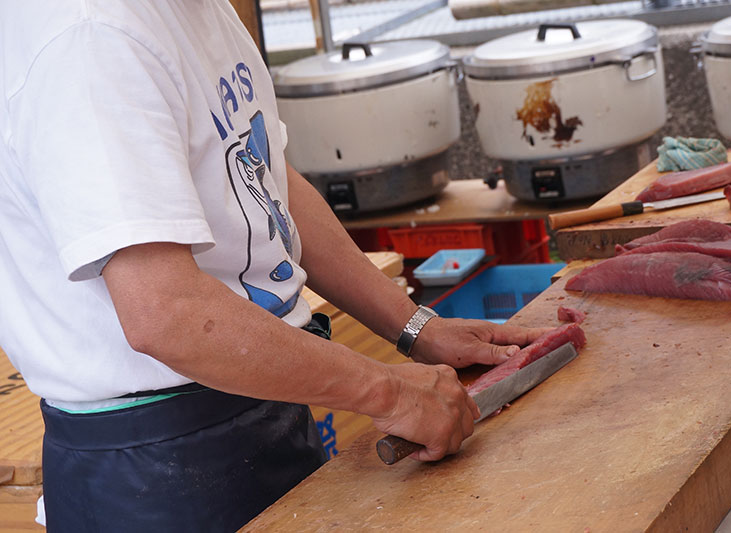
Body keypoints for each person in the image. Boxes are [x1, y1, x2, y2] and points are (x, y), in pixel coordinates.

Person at [0, 1, 550, 531]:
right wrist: (389, 391)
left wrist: (413, 326)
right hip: (154, 470)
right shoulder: (89, 39)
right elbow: (166, 314)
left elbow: (266, 184)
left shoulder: (195, 9)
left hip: (261, 400)